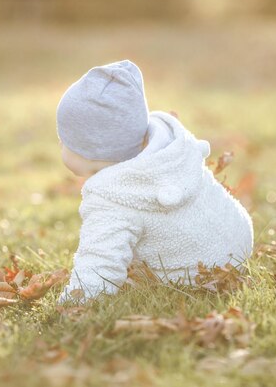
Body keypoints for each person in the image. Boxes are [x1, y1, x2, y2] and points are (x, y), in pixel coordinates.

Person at [56, 60, 253, 303]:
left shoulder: (115, 198)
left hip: (198, 273)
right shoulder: (170, 150)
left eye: (64, 141)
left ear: (91, 150)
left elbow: (100, 261)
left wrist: (75, 302)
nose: (60, 145)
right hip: (239, 237)